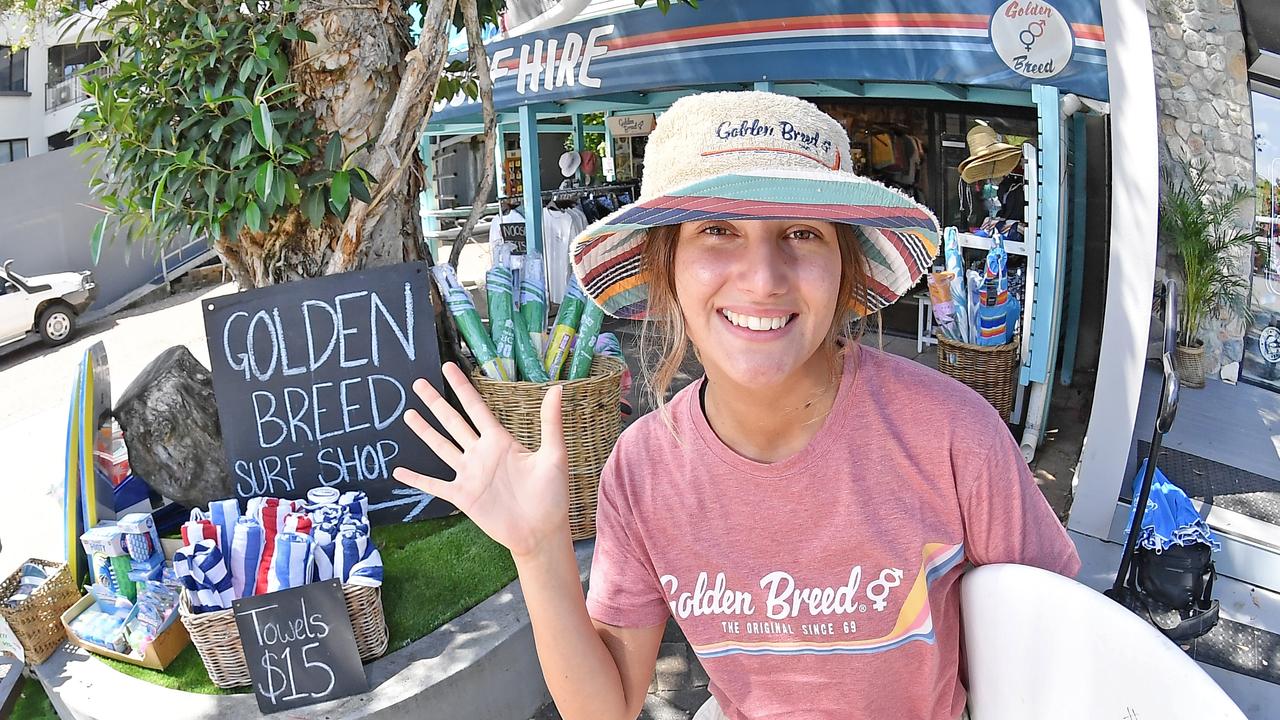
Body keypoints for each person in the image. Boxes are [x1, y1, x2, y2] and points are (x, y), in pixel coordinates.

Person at [394, 91, 1080, 720]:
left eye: (802, 234)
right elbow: (603, 708)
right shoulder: (643, 469)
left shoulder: (954, 436)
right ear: (665, 268)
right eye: (718, 230)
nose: (762, 278)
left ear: (847, 267)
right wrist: (540, 550)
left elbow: (1061, 651)